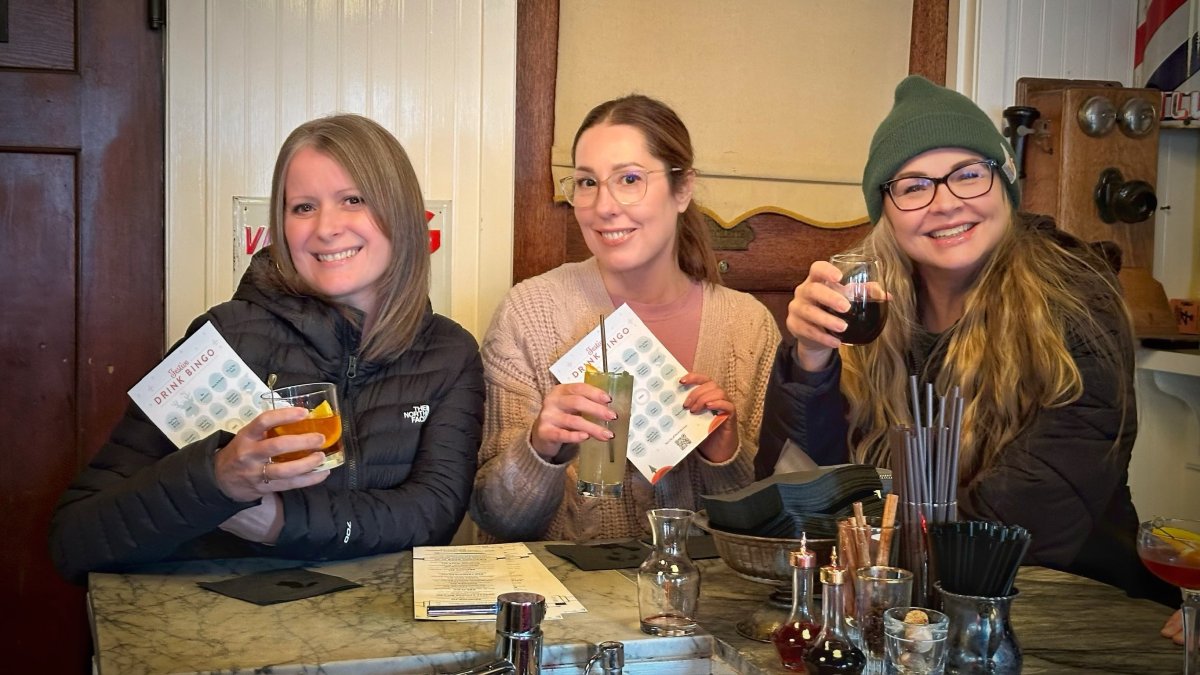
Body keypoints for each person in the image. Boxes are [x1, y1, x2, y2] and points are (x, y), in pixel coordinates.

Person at [755, 76, 1178, 609]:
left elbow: (1029, 523)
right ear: (884, 208)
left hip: (1065, 610)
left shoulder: (1075, 303)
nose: (946, 203)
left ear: (1004, 183)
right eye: (913, 186)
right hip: (904, 612)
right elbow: (800, 505)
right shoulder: (864, 307)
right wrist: (811, 363)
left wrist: (880, 575)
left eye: (968, 175)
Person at [49, 114, 484, 584]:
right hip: (224, 627)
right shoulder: (225, 337)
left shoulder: (449, 352)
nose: (326, 228)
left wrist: (280, 521)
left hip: (377, 631)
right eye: (302, 207)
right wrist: (217, 481)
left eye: (353, 200)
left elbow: (432, 515)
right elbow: (75, 538)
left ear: (401, 213)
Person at [470, 94, 779, 543]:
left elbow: (766, 532)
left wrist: (723, 456)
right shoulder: (531, 314)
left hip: (702, 606)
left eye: (629, 179)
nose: (604, 206)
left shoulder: (747, 328)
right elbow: (495, 519)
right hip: (568, 605)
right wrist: (540, 449)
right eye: (587, 182)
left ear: (683, 189)